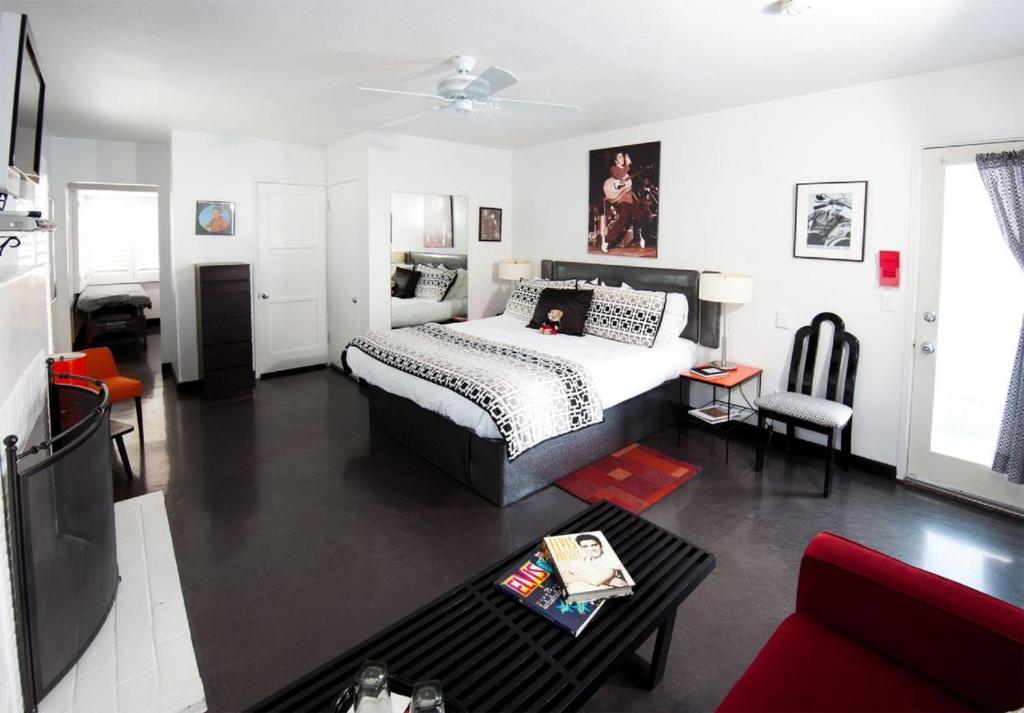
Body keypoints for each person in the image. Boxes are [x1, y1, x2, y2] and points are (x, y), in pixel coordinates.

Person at [603, 152, 647, 252]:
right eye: (619, 157)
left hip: (631, 196)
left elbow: (626, 182)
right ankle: (606, 241)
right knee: (622, 220)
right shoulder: (614, 169)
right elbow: (619, 175)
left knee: (642, 216)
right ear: (615, 160)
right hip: (622, 198)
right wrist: (627, 165)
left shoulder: (626, 172)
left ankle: (642, 236)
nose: (622, 158)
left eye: (622, 156)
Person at [561, 534, 628, 590]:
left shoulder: (609, 559)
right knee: (575, 586)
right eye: (585, 546)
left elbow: (596, 581)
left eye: (594, 545)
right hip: (592, 592)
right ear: (581, 548)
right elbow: (566, 579)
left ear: (600, 545)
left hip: (613, 593)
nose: (591, 549)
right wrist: (606, 582)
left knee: (576, 585)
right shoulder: (585, 560)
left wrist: (575, 571)